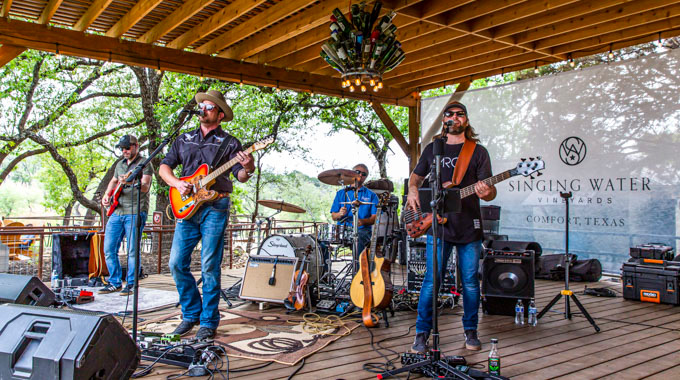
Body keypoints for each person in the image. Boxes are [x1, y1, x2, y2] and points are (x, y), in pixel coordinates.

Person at [159, 90, 255, 340]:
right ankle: (191, 314)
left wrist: (248, 166)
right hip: (188, 206)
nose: (203, 109)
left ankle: (208, 321)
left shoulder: (230, 143)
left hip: (215, 207)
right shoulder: (184, 138)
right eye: (202, 105)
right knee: (176, 263)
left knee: (209, 265)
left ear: (220, 114)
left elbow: (241, 177)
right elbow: (164, 167)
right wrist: (178, 184)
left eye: (209, 107)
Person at [407, 101, 496, 353]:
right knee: (430, 281)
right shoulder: (434, 148)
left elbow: (489, 193)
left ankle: (470, 331)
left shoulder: (478, 152)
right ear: (444, 119)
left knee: (469, 281)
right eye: (450, 114)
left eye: (460, 115)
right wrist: (413, 189)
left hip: (469, 226)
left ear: (465, 121)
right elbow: (417, 175)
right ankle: (422, 334)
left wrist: (487, 191)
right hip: (438, 225)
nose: (455, 118)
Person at [100, 134, 153, 296]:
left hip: (135, 211)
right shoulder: (120, 164)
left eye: (127, 147)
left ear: (136, 146)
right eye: (122, 148)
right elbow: (113, 181)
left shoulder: (145, 164)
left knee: (132, 250)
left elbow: (145, 186)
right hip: (117, 211)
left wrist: (130, 182)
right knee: (109, 248)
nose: (124, 151)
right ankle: (114, 282)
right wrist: (107, 195)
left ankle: (131, 283)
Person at [329, 163, 378, 271]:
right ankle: (324, 275)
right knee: (322, 242)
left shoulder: (372, 195)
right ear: (351, 174)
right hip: (342, 230)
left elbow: (375, 218)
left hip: (362, 231)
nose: (360, 175)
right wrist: (340, 214)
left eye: (364, 174)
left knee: (359, 238)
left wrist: (363, 221)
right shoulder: (341, 193)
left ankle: (359, 274)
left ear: (366, 177)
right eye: (357, 172)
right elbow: (333, 216)